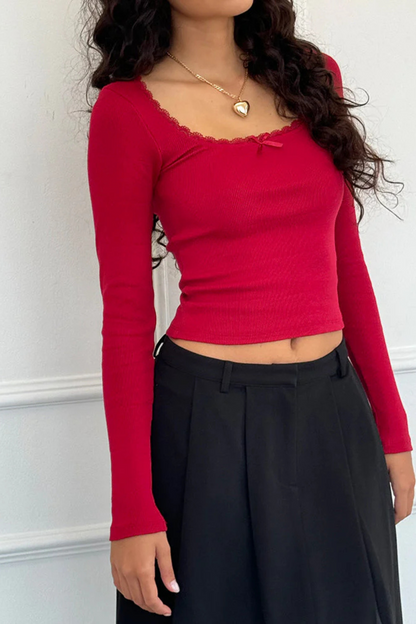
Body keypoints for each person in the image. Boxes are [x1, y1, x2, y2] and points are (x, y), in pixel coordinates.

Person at [84, 0, 415, 622]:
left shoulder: (312, 78)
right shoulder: (127, 112)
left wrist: (393, 428)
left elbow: (346, 266)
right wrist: (131, 509)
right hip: (206, 421)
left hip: (333, 411)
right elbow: (126, 318)